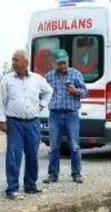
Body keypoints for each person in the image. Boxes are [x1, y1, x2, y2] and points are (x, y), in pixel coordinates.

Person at [0, 49, 53, 199]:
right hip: (14, 123)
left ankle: (30, 185)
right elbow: (0, 101)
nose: (13, 62)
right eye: (13, 60)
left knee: (32, 155)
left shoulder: (37, 79)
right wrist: (1, 120)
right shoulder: (7, 80)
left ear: (25, 62)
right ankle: (12, 188)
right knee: (13, 156)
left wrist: (41, 105)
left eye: (16, 60)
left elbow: (49, 91)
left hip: (33, 123)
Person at [44, 49, 87, 184]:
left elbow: (85, 92)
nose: (62, 66)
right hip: (55, 115)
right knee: (54, 147)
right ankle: (53, 175)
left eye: (64, 63)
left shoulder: (76, 74)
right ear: (55, 64)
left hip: (71, 114)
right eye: (59, 63)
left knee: (74, 145)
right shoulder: (49, 76)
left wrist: (76, 91)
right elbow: (42, 92)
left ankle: (76, 174)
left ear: (68, 61)